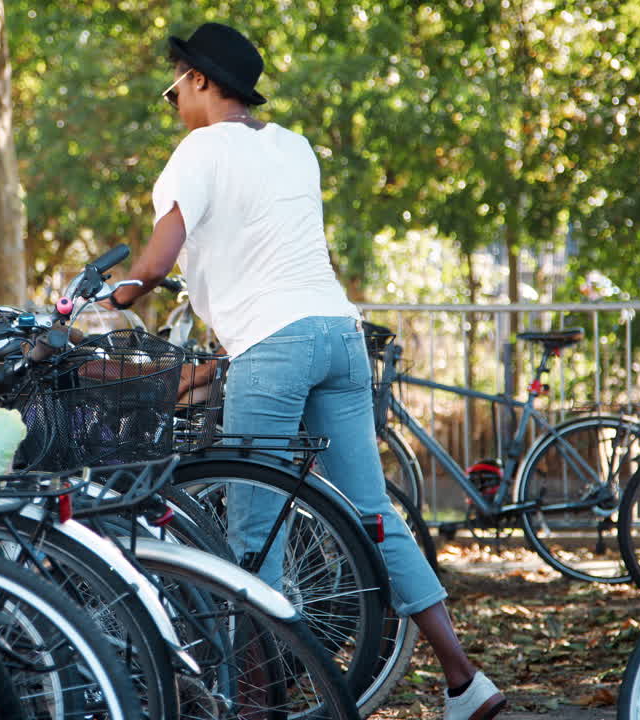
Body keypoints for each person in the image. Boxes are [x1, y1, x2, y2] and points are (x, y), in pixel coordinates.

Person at [105, 21, 506, 720]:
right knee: (375, 513)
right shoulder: (293, 146)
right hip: (338, 334)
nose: (174, 104)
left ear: (199, 81)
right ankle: (464, 679)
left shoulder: (199, 149)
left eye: (173, 89)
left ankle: (260, 703)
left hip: (272, 345)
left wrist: (114, 293)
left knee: (254, 533)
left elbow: (157, 258)